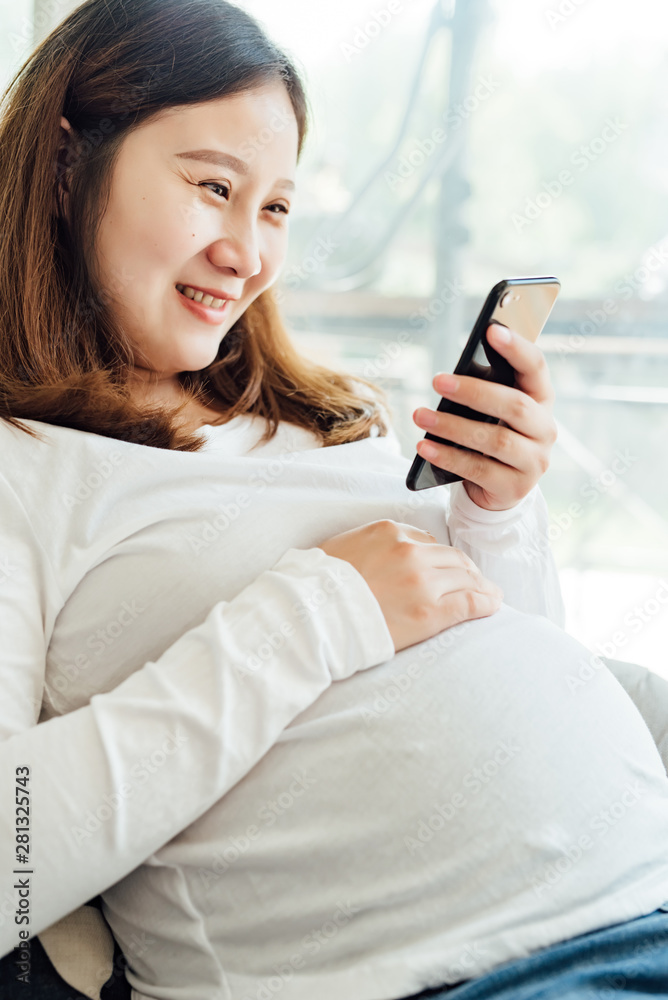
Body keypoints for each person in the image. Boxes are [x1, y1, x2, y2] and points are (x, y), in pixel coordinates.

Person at [1, 1, 668, 999]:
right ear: (63, 165)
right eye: (212, 187)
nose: (247, 253)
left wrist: (495, 515)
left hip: (638, 893)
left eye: (273, 207)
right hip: (461, 974)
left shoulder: (328, 415)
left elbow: (496, 661)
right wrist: (318, 614)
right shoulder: (22, 465)